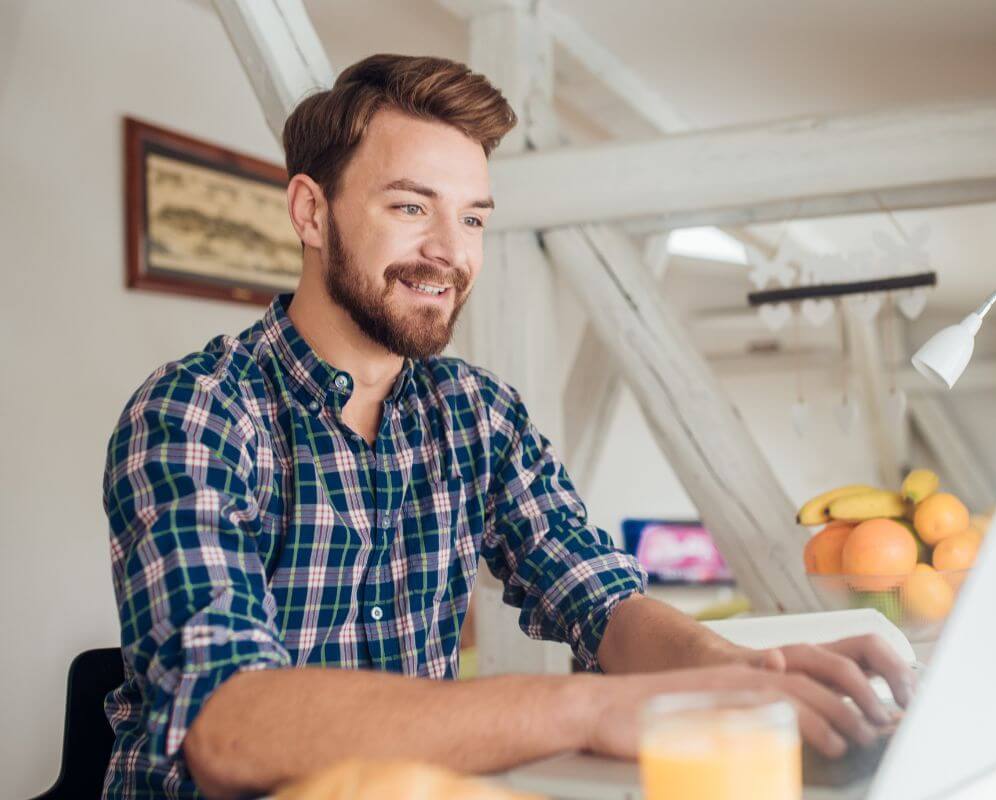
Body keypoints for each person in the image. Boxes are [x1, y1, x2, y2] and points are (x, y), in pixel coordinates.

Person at [102, 54, 913, 799]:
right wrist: (593, 710)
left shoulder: (477, 415)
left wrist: (741, 673)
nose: (448, 253)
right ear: (311, 212)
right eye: (411, 205)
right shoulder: (195, 412)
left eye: (474, 219)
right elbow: (229, 725)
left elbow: (599, 598)